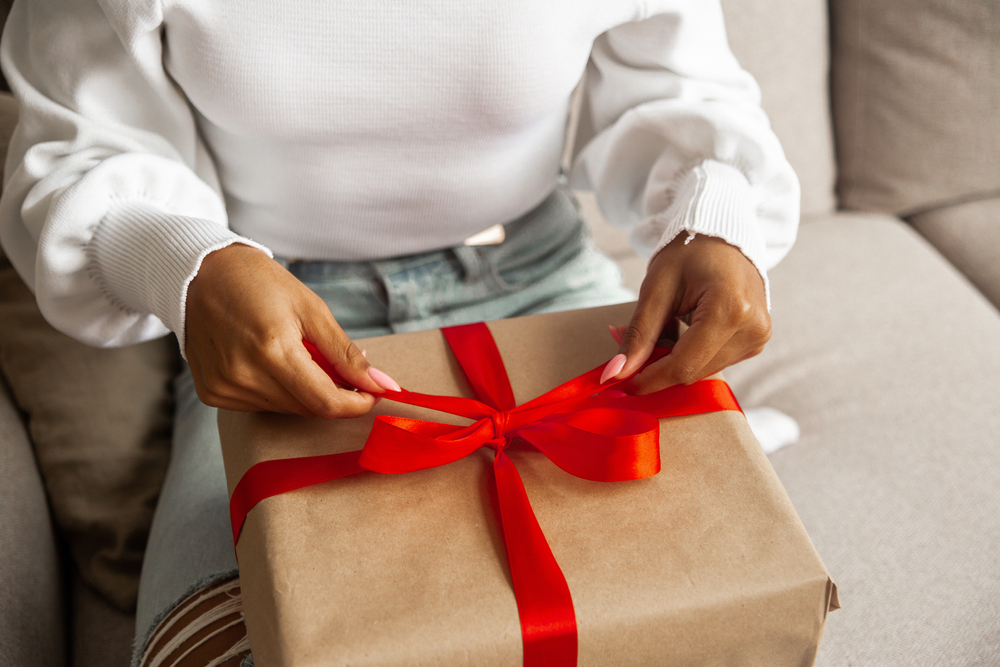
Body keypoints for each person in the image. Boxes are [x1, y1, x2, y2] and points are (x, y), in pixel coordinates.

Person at [0, 0, 799, 664]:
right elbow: (79, 146)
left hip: (545, 286)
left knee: (710, 610)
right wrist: (186, 268)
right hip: (274, 322)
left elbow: (680, 89)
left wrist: (718, 219)